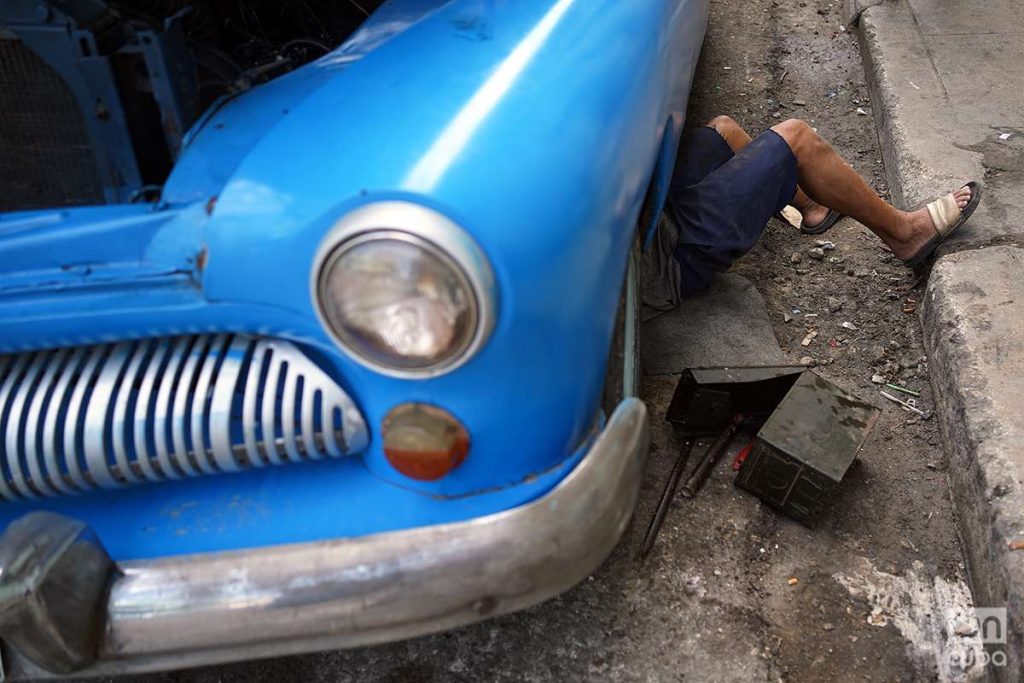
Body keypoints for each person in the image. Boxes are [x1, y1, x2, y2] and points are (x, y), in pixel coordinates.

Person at [648, 116, 981, 302]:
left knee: (724, 130)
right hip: (666, 258)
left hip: (658, 217)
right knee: (797, 138)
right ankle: (904, 233)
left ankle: (812, 204)